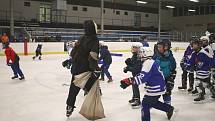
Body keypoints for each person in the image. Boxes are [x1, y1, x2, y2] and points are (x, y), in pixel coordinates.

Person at [120, 49, 175, 121]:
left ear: (146, 54)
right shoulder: (150, 62)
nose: (139, 54)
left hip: (155, 88)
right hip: (159, 86)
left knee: (145, 104)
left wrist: (130, 81)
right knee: (152, 103)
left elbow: (143, 77)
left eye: (141, 53)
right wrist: (131, 79)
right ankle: (168, 108)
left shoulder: (148, 63)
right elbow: (142, 73)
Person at [66, 20, 100, 117]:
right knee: (92, 89)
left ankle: (69, 106)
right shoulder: (94, 39)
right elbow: (93, 56)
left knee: (73, 89)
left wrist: (70, 61)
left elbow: (74, 52)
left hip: (76, 68)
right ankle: (92, 109)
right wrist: (95, 68)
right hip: (86, 69)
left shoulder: (81, 38)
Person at [153, 39, 177, 105]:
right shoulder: (156, 55)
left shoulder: (170, 56)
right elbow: (151, 65)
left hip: (166, 77)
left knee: (166, 93)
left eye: (160, 47)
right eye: (158, 47)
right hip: (157, 78)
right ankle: (151, 103)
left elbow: (173, 66)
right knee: (155, 93)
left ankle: (168, 106)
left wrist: (172, 76)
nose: (159, 48)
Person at [123, 43, 143, 108]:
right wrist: (129, 64)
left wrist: (128, 68)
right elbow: (134, 65)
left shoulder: (139, 56)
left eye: (135, 47)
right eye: (133, 47)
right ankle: (135, 97)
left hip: (139, 74)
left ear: (139, 48)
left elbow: (137, 68)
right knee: (134, 85)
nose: (133, 49)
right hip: (135, 73)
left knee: (135, 85)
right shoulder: (134, 55)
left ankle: (137, 100)